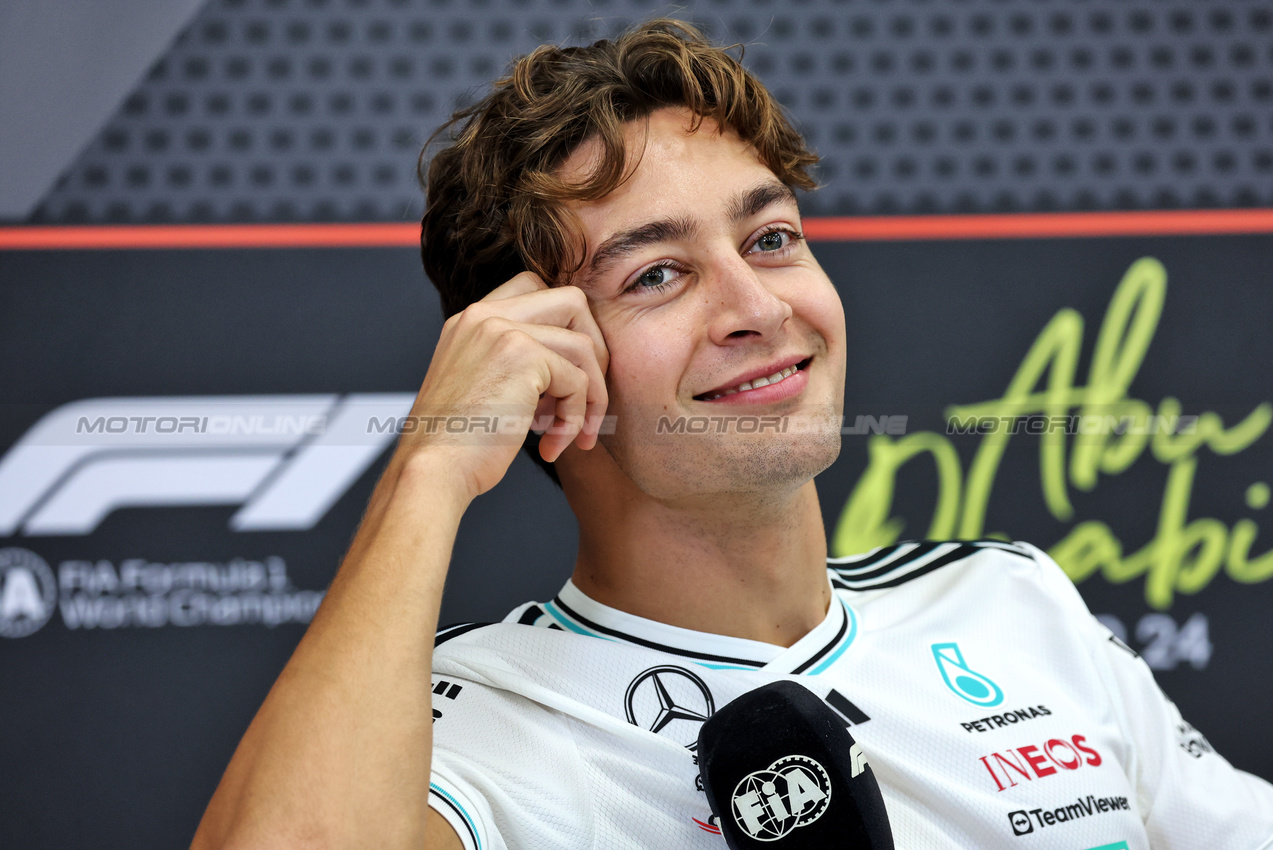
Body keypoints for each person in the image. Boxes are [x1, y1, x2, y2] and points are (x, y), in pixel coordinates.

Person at [192, 19, 1273, 850]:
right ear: (546, 371)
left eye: (771, 236)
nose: (757, 304)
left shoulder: (1012, 602)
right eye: (656, 272)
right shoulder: (469, 721)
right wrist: (428, 467)